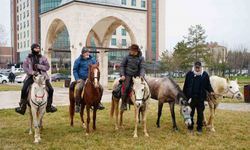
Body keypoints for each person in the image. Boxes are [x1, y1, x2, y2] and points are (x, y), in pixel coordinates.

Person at [15, 43, 57, 115]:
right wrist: (33, 72)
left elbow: (47, 67)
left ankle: (49, 106)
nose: (37, 49)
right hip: (31, 77)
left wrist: (39, 66)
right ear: (32, 49)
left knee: (51, 89)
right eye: (36, 48)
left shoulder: (43, 58)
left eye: (38, 48)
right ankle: (22, 107)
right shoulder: (27, 58)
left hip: (43, 77)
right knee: (24, 89)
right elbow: (25, 68)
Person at [183, 61, 214, 134]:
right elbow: (185, 86)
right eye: (196, 67)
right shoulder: (189, 74)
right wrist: (184, 96)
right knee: (190, 113)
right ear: (194, 67)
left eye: (198, 68)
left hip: (200, 98)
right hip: (191, 98)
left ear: (201, 67)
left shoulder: (205, 75)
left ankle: (199, 128)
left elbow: (208, 85)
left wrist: (211, 91)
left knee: (200, 114)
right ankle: (190, 127)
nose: (197, 69)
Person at [73, 47, 105, 112]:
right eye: (86, 52)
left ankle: (98, 102)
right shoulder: (78, 60)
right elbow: (75, 70)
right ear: (83, 53)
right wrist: (77, 79)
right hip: (82, 79)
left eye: (88, 52)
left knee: (101, 88)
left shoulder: (92, 59)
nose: (88, 53)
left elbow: (96, 67)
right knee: (78, 88)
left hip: (91, 79)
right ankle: (77, 105)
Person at [120, 44, 145, 111]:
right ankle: (123, 104)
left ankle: (143, 102)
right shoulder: (126, 57)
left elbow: (142, 68)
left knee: (144, 87)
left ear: (137, 51)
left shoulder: (141, 58)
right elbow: (122, 66)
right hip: (128, 75)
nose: (131, 52)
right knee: (126, 87)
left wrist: (142, 76)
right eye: (131, 50)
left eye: (133, 51)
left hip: (137, 76)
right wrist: (122, 75)